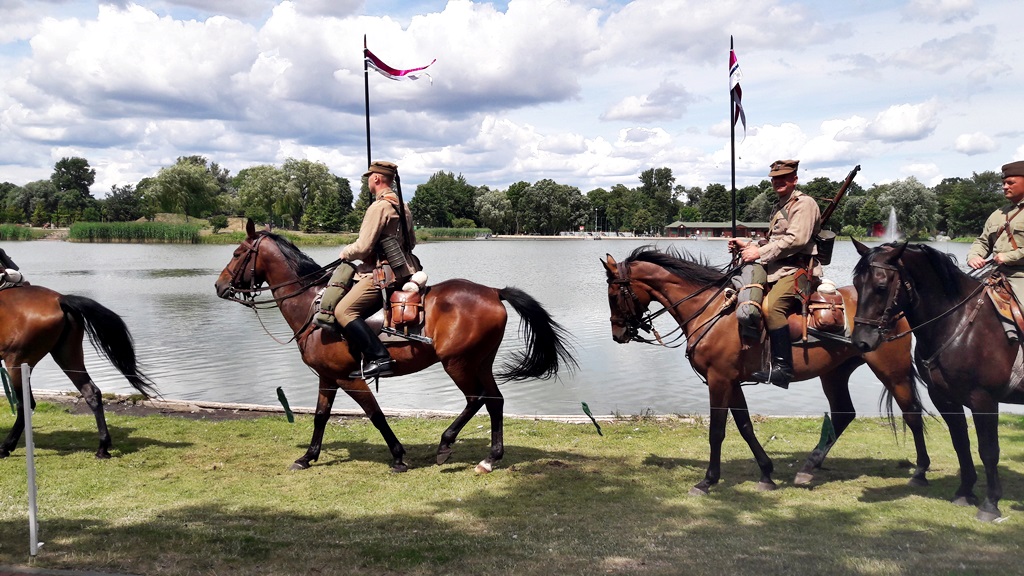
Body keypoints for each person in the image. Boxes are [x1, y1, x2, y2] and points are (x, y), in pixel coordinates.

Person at [315, 160, 418, 379]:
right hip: (405, 270)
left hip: (382, 274)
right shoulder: (403, 206)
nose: (368, 182)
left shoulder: (379, 207)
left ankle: (380, 358)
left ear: (376, 178)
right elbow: (413, 243)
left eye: (369, 177)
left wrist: (346, 252)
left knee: (343, 311)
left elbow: (362, 248)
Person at [728, 159, 822, 389]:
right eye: (775, 179)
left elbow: (796, 240)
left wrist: (758, 252)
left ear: (795, 180)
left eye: (784, 178)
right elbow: (774, 241)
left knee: (771, 308)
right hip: (776, 269)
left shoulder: (804, 204)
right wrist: (747, 245)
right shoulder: (781, 204)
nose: (778, 182)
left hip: (798, 270)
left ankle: (783, 368)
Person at [967, 160, 1024, 341]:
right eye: (1003, 183)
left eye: (1010, 183)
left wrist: (1009, 256)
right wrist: (974, 256)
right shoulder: (998, 213)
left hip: (1020, 275)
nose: (1005, 187)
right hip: (995, 274)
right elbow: (983, 241)